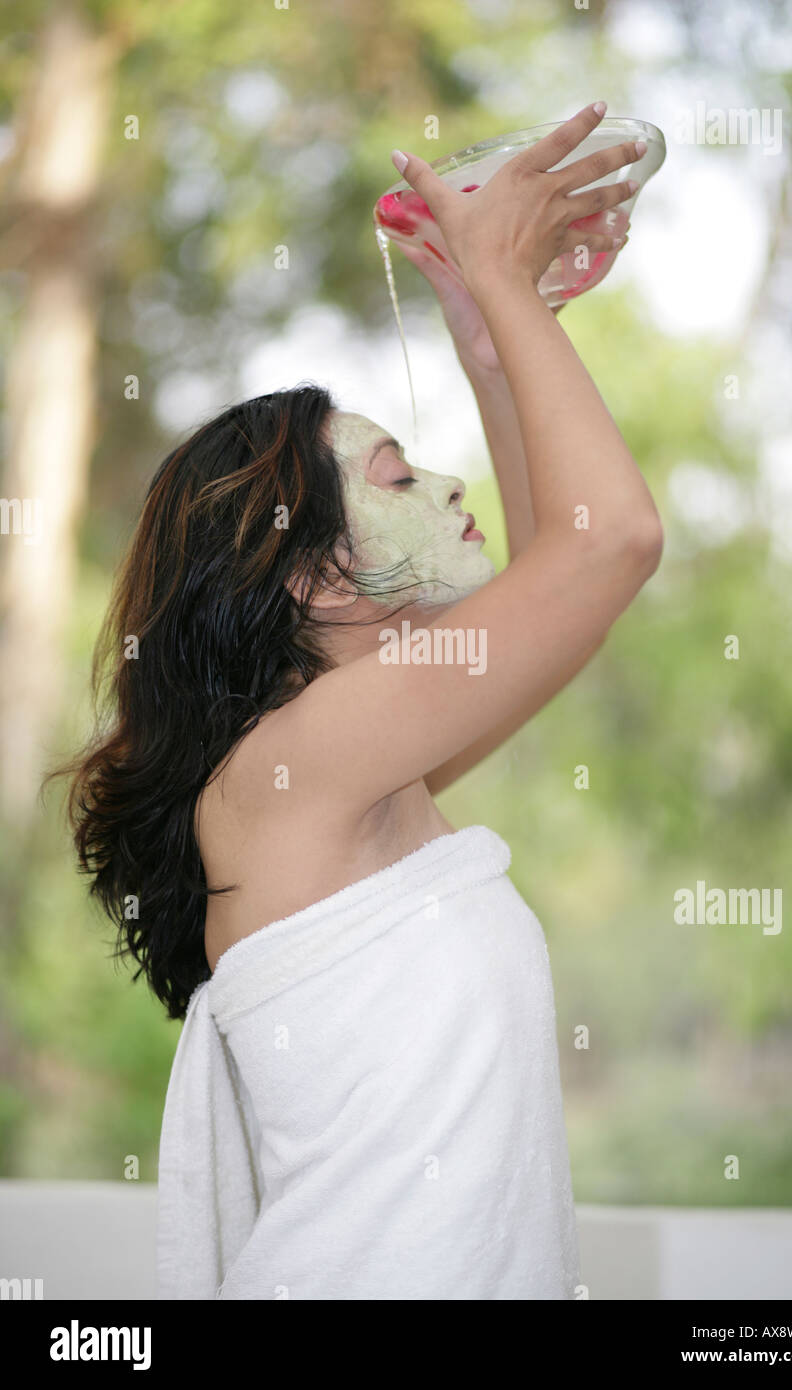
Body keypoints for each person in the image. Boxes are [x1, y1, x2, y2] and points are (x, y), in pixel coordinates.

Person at [58, 102, 662, 1299]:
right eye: (395, 475)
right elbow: (609, 546)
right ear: (309, 569)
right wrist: (499, 276)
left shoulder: (360, 769)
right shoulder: (296, 772)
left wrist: (497, 340)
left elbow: (561, 565)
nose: (444, 485)